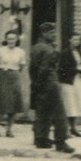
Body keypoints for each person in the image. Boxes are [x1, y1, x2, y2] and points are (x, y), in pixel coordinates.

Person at [30, 22, 74, 153]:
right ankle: (61, 142)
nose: (54, 35)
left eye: (55, 32)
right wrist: (44, 82)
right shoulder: (49, 50)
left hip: (39, 84)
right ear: (44, 34)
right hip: (50, 83)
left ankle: (41, 139)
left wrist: (36, 83)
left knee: (42, 112)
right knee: (59, 113)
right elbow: (44, 69)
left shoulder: (36, 47)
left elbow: (32, 68)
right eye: (51, 33)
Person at [0, 29, 26, 137]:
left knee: (14, 104)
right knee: (3, 103)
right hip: (3, 77)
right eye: (9, 38)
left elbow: (22, 66)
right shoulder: (0, 50)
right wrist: (3, 71)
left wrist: (14, 72)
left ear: (16, 40)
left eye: (13, 39)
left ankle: (9, 130)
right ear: (6, 39)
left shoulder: (21, 51)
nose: (11, 41)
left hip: (15, 77)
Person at [59, 33, 81, 137]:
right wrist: (76, 69)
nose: (76, 42)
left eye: (78, 40)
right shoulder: (65, 52)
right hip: (68, 81)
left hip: (77, 80)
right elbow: (63, 68)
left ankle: (73, 128)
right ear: (70, 40)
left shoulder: (79, 52)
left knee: (76, 104)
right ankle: (66, 129)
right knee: (69, 104)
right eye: (74, 39)